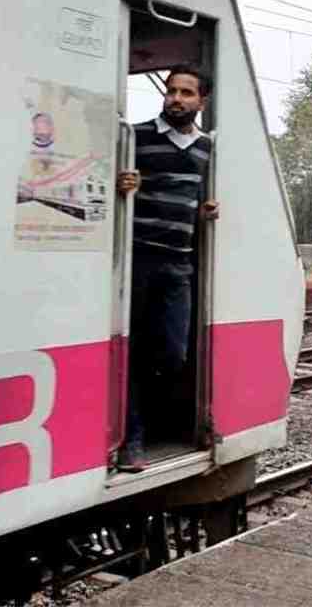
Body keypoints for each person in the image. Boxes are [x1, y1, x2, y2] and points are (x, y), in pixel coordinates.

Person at [114, 64, 218, 472]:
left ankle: (148, 425)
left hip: (179, 263)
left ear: (201, 101)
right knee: (135, 350)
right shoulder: (136, 137)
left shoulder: (207, 148)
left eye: (186, 93)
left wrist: (210, 208)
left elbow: (203, 195)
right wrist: (121, 183)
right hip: (139, 258)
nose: (176, 98)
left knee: (173, 354)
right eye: (172, 91)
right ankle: (133, 440)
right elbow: (105, 185)